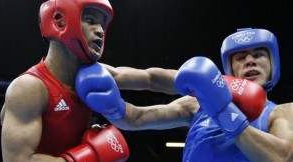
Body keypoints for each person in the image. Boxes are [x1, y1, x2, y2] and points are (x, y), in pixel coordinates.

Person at [90, 28, 292, 161]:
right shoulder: (197, 104)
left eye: (258, 55)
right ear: (229, 67)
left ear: (273, 64)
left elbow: (281, 158)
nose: (250, 61)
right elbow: (138, 112)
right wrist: (106, 93)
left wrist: (223, 111)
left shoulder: (283, 112)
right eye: (240, 57)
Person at [0, 0, 130, 162]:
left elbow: (149, 79)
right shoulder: (29, 88)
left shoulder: (91, 79)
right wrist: (88, 156)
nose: (100, 31)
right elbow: (16, 160)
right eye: (90, 21)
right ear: (60, 22)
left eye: (103, 25)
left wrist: (173, 84)